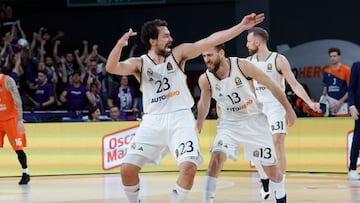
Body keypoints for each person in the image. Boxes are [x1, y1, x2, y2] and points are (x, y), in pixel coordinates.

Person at [105, 12, 265, 203]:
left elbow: (209, 40)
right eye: (166, 36)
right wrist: (119, 45)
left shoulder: (178, 55)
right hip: (152, 120)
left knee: (189, 167)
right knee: (127, 170)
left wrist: (241, 27)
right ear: (152, 41)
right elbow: (112, 67)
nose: (171, 39)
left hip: (180, 118)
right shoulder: (140, 63)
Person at [197, 44, 296, 203]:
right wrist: (200, 120)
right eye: (204, 56)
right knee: (216, 158)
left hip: (254, 121)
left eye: (210, 55)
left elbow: (271, 84)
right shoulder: (205, 79)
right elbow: (203, 102)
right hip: (229, 125)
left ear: (221, 53)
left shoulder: (242, 65)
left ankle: (281, 195)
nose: (206, 60)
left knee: (272, 171)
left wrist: (288, 108)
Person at [245, 27, 319, 200]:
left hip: (276, 105)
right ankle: (264, 179)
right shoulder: (248, 62)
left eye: (248, 41)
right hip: (258, 107)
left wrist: (309, 102)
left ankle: (280, 190)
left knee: (277, 142)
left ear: (257, 42)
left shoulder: (278, 59)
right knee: (256, 149)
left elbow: (294, 84)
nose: (246, 45)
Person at [0, 71, 30, 184]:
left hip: (11, 119)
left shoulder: (7, 80)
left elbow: (17, 99)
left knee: (18, 148)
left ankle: (26, 172)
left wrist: (20, 120)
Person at [320, 47, 351, 117]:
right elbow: (324, 91)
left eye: (334, 56)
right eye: (331, 56)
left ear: (339, 57)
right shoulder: (327, 71)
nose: (332, 58)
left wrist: (340, 102)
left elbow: (350, 89)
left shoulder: (346, 70)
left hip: (343, 105)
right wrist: (322, 102)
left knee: (343, 126)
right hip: (330, 105)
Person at [348, 61, 360, 180]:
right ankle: (352, 169)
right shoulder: (357, 65)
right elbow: (351, 87)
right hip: (359, 110)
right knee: (357, 140)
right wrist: (352, 105)